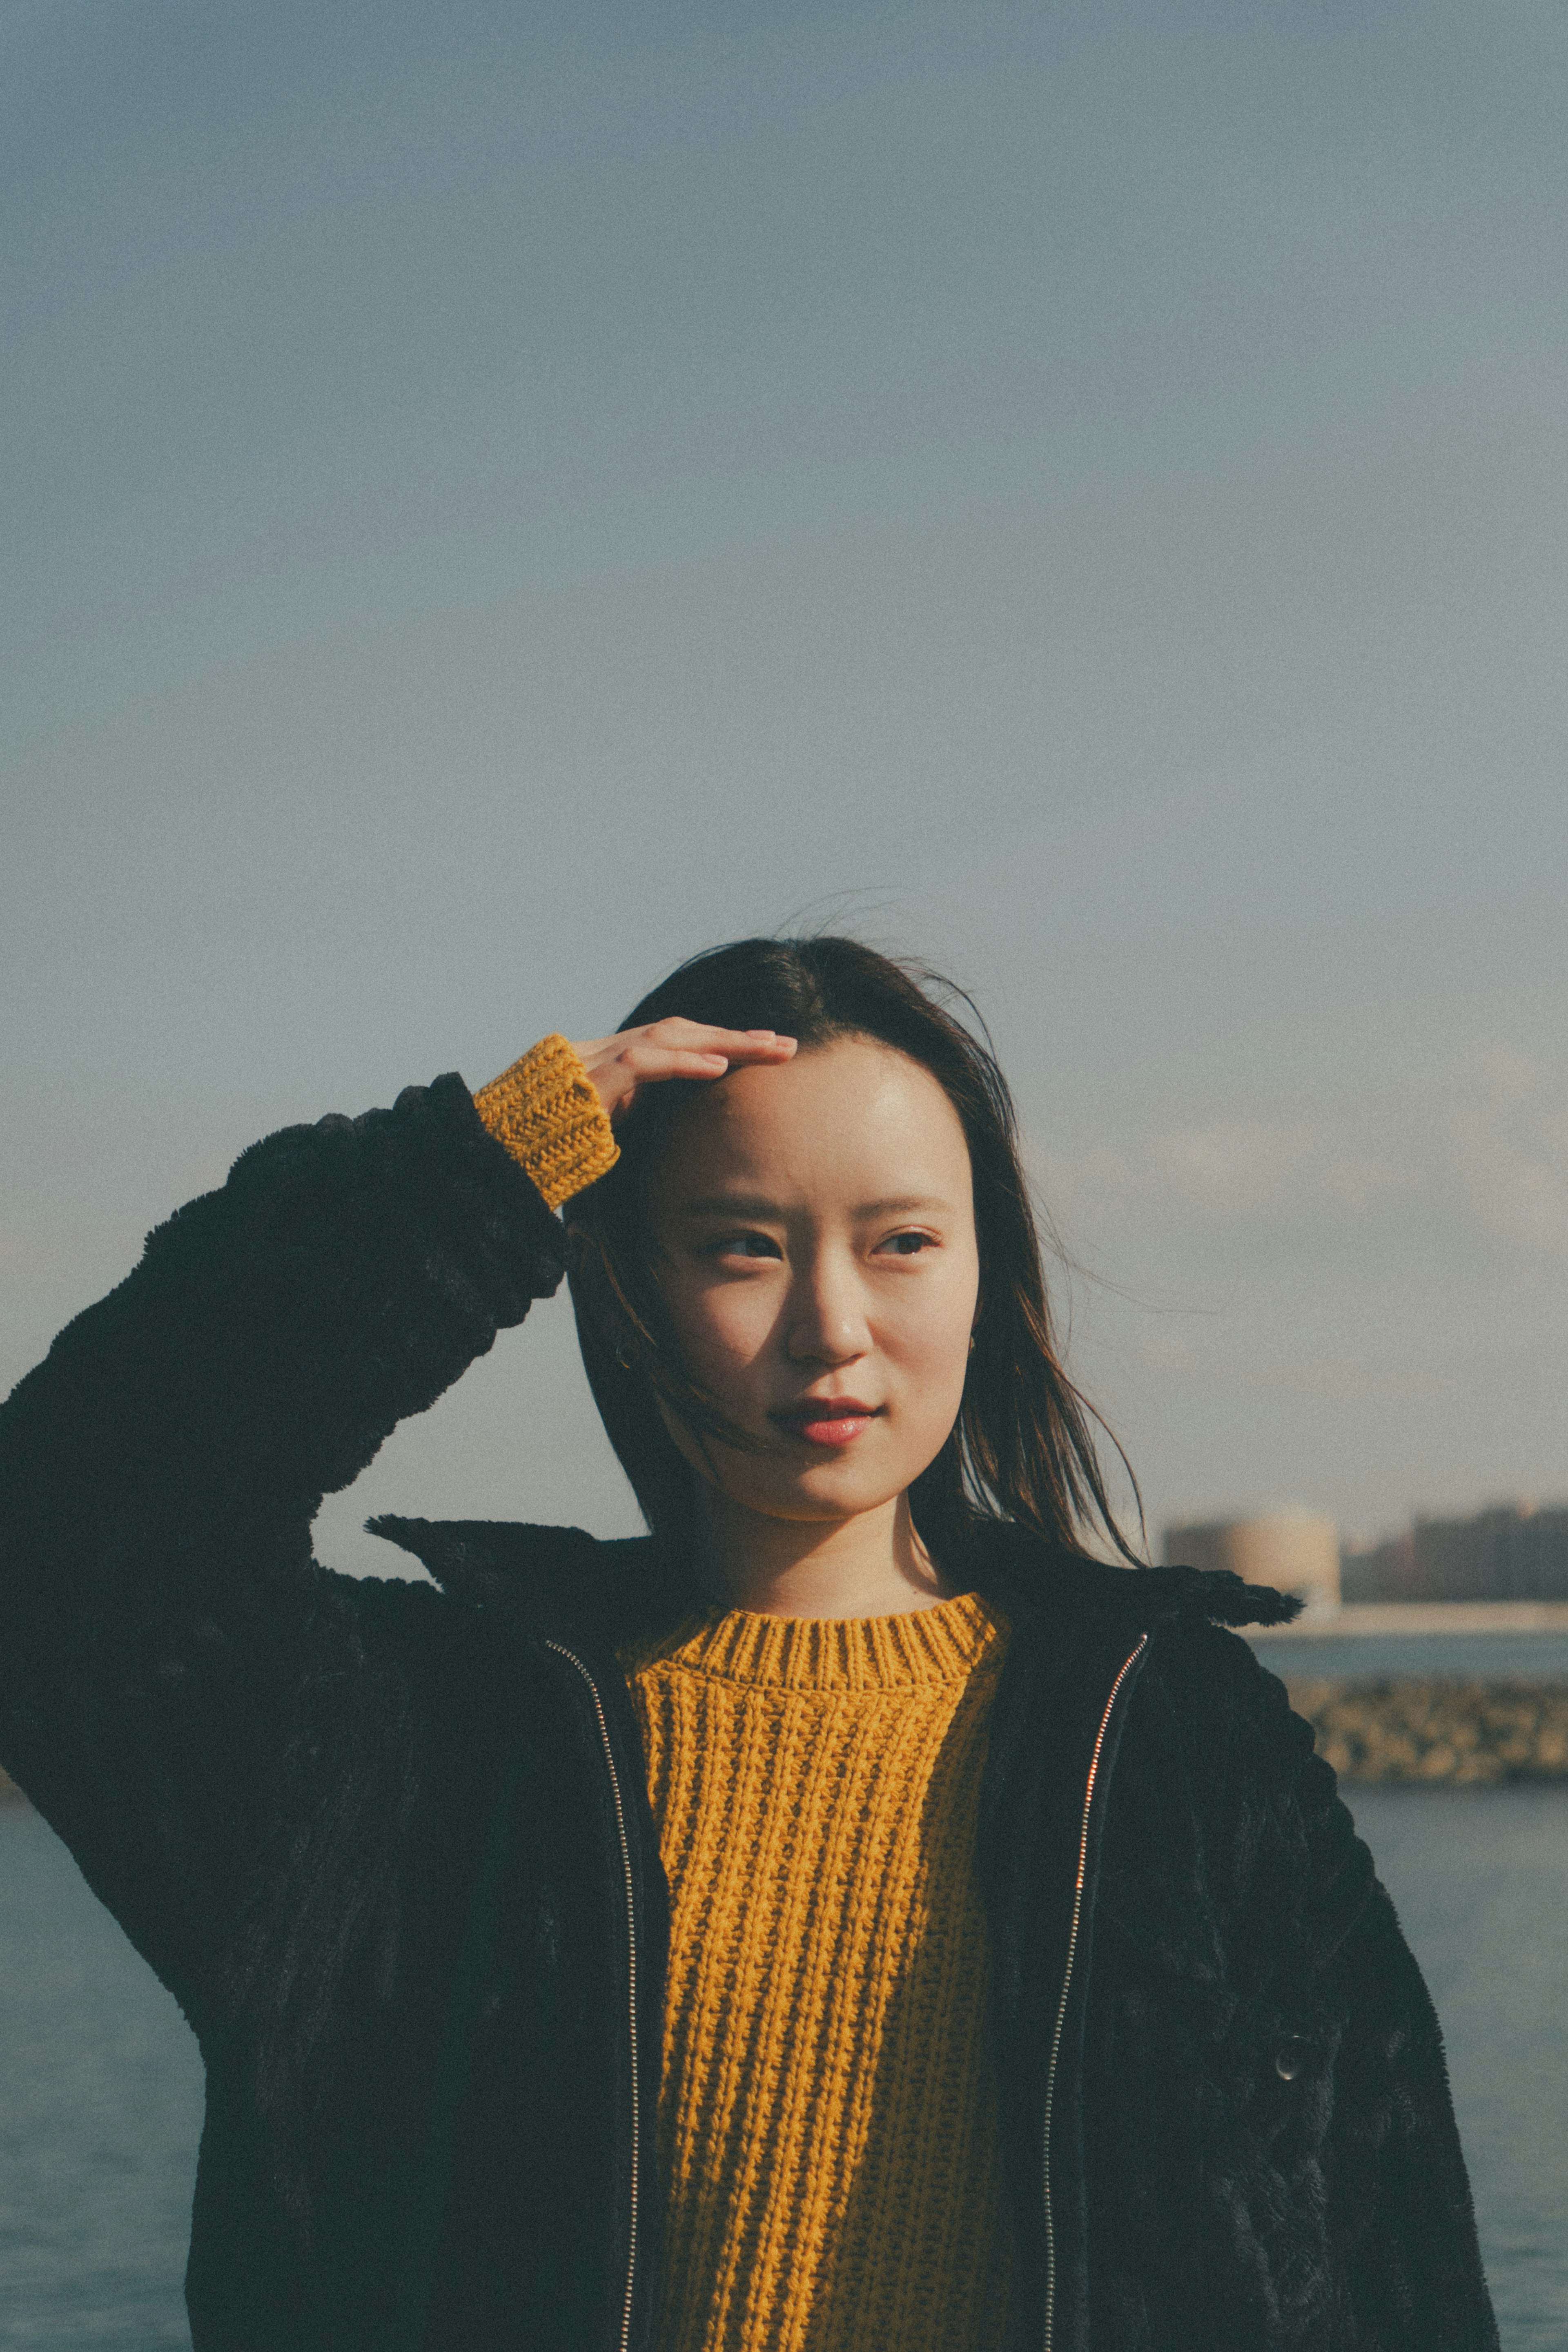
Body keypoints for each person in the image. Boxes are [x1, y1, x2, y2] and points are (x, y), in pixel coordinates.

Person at [0, 934, 1497, 2352]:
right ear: (632, 1285)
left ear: (988, 1276)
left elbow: (1394, 2268)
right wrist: (478, 1174)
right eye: (742, 1247)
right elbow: (64, 1550)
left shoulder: (1174, 1740)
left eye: (903, 1240)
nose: (833, 1323)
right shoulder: (430, 1749)